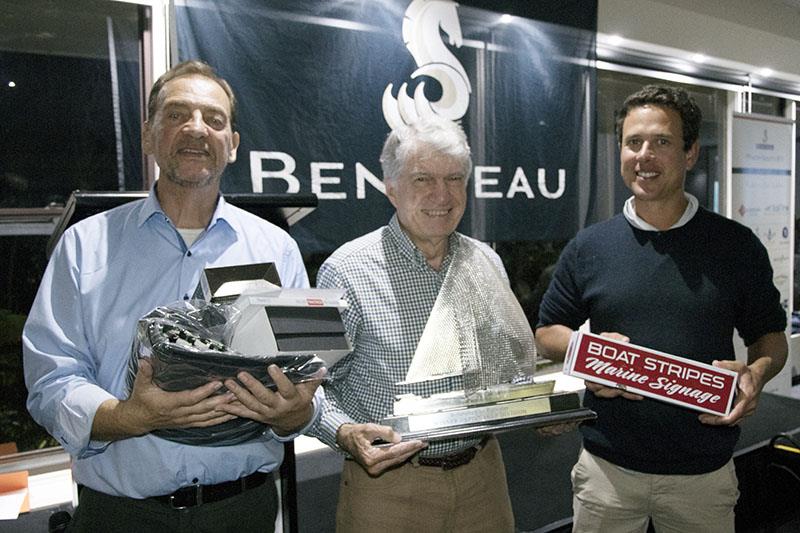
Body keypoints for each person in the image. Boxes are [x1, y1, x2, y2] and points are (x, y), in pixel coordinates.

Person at [23, 60, 322, 532]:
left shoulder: (275, 247)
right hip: (121, 517)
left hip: (243, 513)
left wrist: (294, 412)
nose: (196, 129)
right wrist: (129, 417)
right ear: (148, 135)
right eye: (178, 114)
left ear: (233, 145)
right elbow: (50, 382)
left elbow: (302, 375)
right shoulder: (85, 245)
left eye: (214, 119)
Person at [535, 84, 788, 533]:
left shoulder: (736, 246)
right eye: (633, 143)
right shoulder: (589, 246)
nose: (644, 155)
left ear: (690, 153)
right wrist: (588, 349)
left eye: (662, 142)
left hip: (703, 475)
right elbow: (547, 331)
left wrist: (757, 373)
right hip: (606, 472)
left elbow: (770, 338)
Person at [309, 117, 516, 532]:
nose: (442, 195)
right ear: (391, 187)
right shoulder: (345, 272)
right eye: (423, 179)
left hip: (483, 476)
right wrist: (344, 432)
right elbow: (308, 387)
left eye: (455, 178)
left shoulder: (487, 263)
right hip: (389, 485)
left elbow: (503, 368)